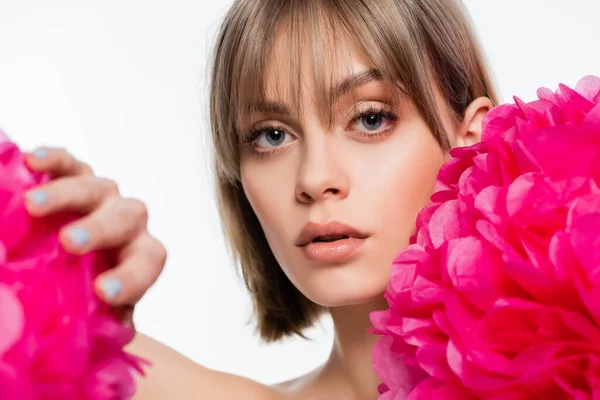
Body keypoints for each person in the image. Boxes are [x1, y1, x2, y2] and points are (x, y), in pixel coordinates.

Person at [28, 0, 499, 398]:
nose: (315, 179)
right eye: (272, 135)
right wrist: (59, 288)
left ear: (472, 138)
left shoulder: (568, 364)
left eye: (370, 119)